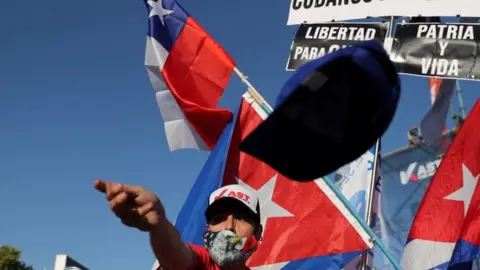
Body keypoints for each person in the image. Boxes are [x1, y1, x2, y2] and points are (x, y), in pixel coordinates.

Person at [95, 180, 263, 270]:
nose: (228, 226)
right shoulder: (201, 262)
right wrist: (159, 225)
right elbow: (176, 255)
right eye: (219, 219)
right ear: (208, 230)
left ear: (258, 231)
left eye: (241, 218)